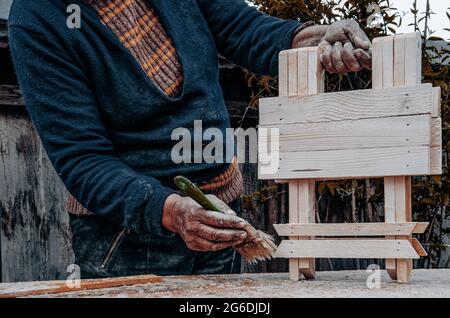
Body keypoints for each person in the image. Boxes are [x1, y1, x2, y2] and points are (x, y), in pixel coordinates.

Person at [9, 0, 372, 278]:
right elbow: (83, 160)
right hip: (126, 240)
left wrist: (312, 39)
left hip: (221, 215)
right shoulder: (40, 17)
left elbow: (242, 28)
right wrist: (172, 212)